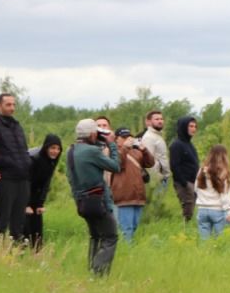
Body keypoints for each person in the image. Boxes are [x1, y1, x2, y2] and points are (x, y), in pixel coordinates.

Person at [65, 118, 120, 275]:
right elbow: (115, 166)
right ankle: (98, 272)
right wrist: (112, 144)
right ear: (91, 133)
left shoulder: (71, 150)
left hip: (81, 201)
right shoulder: (92, 151)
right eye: (96, 132)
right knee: (110, 236)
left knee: (95, 236)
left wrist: (98, 141)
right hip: (97, 201)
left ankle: (92, 270)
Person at [0, 92, 32, 243]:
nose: (12, 108)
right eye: (8, 104)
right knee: (4, 214)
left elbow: (23, 149)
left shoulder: (17, 125)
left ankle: (17, 248)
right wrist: (11, 163)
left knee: (19, 216)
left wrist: (26, 163)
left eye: (14, 104)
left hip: (23, 177)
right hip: (6, 178)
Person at [110, 129, 156, 242]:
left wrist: (144, 150)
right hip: (124, 197)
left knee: (134, 227)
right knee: (127, 229)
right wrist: (124, 148)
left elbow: (150, 163)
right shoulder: (113, 152)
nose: (127, 140)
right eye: (124, 137)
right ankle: (127, 250)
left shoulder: (136, 152)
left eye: (129, 137)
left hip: (138, 196)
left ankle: (128, 248)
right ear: (116, 139)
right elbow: (117, 164)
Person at [24, 134, 62, 251]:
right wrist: (27, 204)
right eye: (52, 148)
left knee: (37, 228)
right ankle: (19, 254)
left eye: (58, 149)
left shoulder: (51, 161)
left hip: (36, 196)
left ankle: (37, 254)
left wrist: (40, 203)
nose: (55, 151)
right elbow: (27, 182)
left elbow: (46, 183)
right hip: (24, 195)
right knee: (25, 227)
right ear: (46, 148)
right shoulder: (34, 159)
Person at [194, 144, 230, 238]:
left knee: (204, 241)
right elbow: (225, 196)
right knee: (220, 240)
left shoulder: (202, 170)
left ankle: (204, 253)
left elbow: (196, 188)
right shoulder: (223, 172)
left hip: (202, 210)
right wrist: (228, 212)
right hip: (217, 209)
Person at [169, 115, 200, 223]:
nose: (193, 129)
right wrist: (184, 183)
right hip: (184, 183)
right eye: (191, 126)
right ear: (183, 127)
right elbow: (174, 165)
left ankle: (187, 228)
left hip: (193, 181)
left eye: (195, 126)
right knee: (188, 208)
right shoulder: (177, 145)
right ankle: (184, 229)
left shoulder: (189, 144)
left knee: (191, 207)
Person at [141, 110, 170, 196]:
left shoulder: (157, 136)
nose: (160, 121)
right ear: (149, 122)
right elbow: (148, 162)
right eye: (156, 119)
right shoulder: (149, 138)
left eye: (161, 119)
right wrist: (157, 178)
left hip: (163, 179)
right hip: (157, 181)